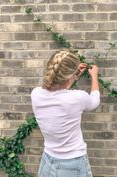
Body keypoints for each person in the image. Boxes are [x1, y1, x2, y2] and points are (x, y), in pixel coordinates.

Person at [31, 49, 100, 177]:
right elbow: (94, 102)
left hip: (47, 161)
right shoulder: (78, 98)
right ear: (69, 79)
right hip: (73, 164)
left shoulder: (36, 94)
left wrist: (73, 75)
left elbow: (58, 88)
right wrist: (94, 76)